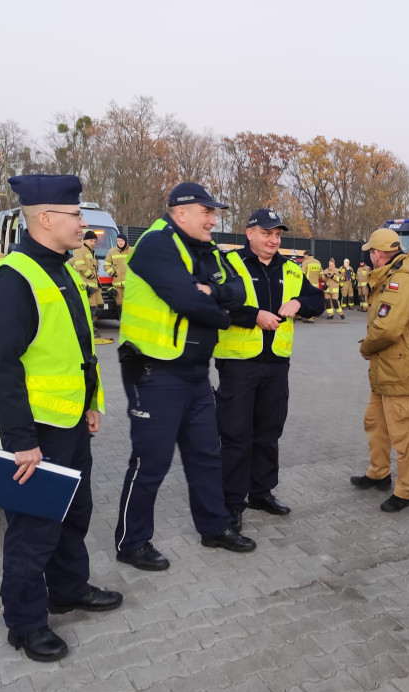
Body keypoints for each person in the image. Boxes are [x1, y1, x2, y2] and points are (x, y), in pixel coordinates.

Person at [0, 174, 122, 663]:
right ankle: (24, 623)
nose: (83, 223)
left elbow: (79, 351)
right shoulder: (12, 279)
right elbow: (0, 366)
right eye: (76, 215)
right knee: (33, 529)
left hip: (70, 423)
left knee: (73, 514)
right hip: (37, 432)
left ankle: (67, 588)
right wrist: (21, 440)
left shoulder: (61, 270)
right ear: (45, 218)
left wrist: (91, 405)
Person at [114, 182, 256, 572]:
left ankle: (215, 528)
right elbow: (187, 301)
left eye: (215, 213)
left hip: (194, 372)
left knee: (207, 455)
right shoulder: (157, 244)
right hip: (154, 371)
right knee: (152, 462)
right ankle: (131, 542)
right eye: (207, 212)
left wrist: (210, 291)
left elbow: (240, 291)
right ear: (181, 213)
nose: (214, 220)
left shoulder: (205, 249)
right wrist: (217, 306)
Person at [214, 209, 324, 530]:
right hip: (238, 365)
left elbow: (317, 300)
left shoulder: (290, 269)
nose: (273, 239)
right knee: (236, 436)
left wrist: (300, 305)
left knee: (268, 432)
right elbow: (216, 304)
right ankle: (231, 503)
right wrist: (253, 316)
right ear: (250, 233)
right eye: (267, 233)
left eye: (277, 234)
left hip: (276, 365)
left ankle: (261, 492)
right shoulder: (229, 265)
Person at [350, 228, 409, 512]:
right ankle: (379, 473)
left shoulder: (399, 282)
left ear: (378, 254)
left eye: (371, 253)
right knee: (375, 423)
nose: (370, 258)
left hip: (400, 370)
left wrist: (366, 347)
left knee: (403, 432)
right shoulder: (392, 277)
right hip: (387, 367)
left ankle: (405, 490)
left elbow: (387, 327)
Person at [70, 230, 102, 326]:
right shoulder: (79, 249)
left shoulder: (92, 251)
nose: (93, 243)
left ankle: (91, 325)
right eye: (91, 241)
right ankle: (89, 326)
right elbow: (80, 265)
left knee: (100, 306)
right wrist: (90, 274)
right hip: (86, 285)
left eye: (95, 241)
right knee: (90, 308)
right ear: (86, 240)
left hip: (95, 285)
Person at [105, 234, 131, 312]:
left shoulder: (131, 250)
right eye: (118, 241)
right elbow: (106, 264)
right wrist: (112, 273)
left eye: (122, 241)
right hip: (117, 285)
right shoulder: (112, 251)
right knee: (120, 305)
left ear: (125, 241)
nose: (120, 243)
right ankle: (122, 321)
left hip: (129, 284)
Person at [300, 251, 322, 323]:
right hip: (316, 285)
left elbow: (301, 273)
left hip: (307, 285)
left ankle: (310, 318)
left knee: (305, 301)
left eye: (304, 256)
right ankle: (303, 315)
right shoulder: (318, 262)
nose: (303, 258)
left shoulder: (306, 262)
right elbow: (321, 274)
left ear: (306, 255)